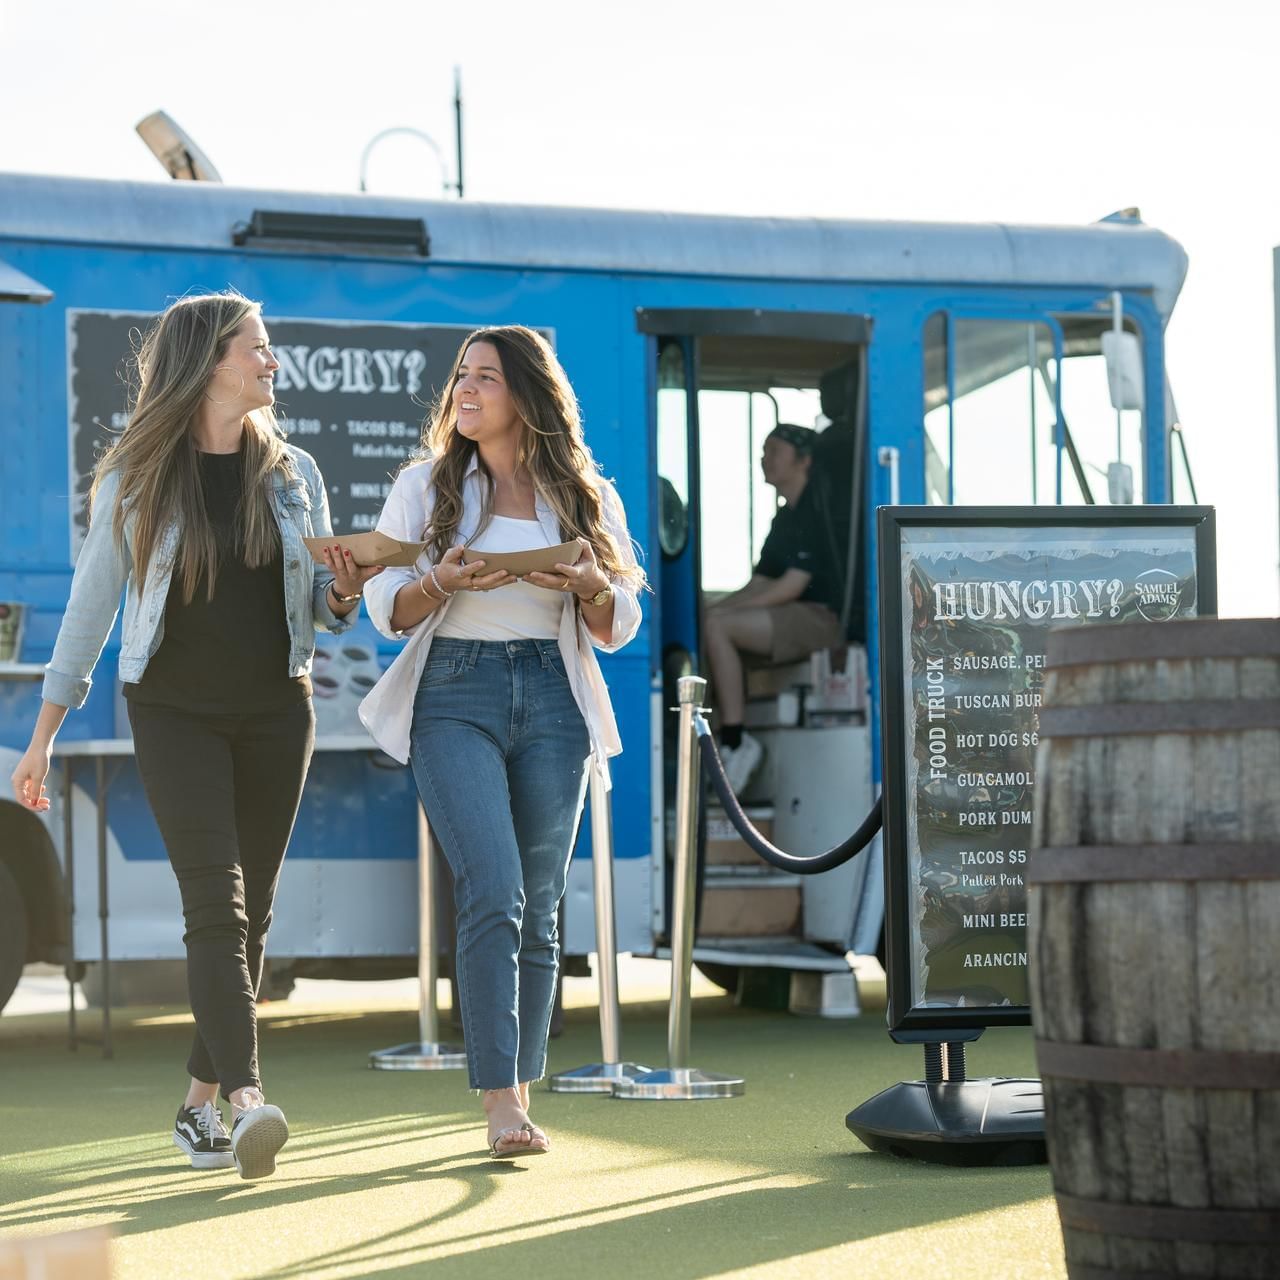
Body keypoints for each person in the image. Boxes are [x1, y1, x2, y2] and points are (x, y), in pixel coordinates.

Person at [9, 291, 378, 1179]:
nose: (272, 361)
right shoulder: (135, 475)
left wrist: (343, 591)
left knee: (253, 916)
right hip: (172, 714)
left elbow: (320, 616)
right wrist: (40, 736)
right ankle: (250, 1100)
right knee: (215, 903)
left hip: (277, 710)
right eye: (258, 347)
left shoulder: (294, 472)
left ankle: (196, 1106)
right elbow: (89, 611)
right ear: (211, 360)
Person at [360, 325, 644, 1159]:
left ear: (526, 393)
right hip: (454, 692)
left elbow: (618, 624)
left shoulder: (586, 492)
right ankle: (500, 1101)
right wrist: (439, 580)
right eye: (461, 377)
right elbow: (386, 610)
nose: (465, 391)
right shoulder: (425, 485)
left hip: (554, 698)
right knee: (492, 884)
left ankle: (523, 1083)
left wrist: (591, 583)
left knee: (542, 905)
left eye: (485, 377)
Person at [704, 423, 843, 793]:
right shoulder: (785, 516)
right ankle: (719, 739)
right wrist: (712, 609)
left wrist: (722, 618)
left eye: (774, 451)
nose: (765, 458)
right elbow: (761, 581)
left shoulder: (817, 505)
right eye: (763, 450)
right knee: (709, 621)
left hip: (822, 619)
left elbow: (792, 586)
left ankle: (735, 740)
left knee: (718, 627)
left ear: (804, 460)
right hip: (791, 615)